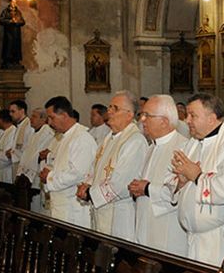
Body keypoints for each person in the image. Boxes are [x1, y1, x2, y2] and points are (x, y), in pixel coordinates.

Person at [173, 93, 224, 266]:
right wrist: (180, 180)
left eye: (192, 115)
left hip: (218, 240)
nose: (187, 120)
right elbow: (178, 178)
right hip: (193, 238)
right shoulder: (194, 142)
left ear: (211, 118)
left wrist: (197, 176)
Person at [130, 95, 196, 256]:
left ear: (164, 121)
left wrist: (147, 189)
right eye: (142, 115)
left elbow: (179, 192)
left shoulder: (183, 148)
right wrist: (136, 187)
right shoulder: (152, 147)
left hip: (167, 230)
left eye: (147, 116)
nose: (142, 120)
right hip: (144, 223)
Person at [78, 91, 146, 241]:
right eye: (109, 107)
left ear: (129, 114)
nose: (109, 111)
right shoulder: (109, 137)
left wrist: (91, 193)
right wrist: (86, 184)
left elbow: (122, 183)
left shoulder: (135, 141)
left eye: (115, 108)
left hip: (119, 215)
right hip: (101, 209)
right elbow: (95, 166)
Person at [40, 96, 95, 228]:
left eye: (52, 117)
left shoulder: (81, 138)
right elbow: (62, 166)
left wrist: (49, 177)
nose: (49, 122)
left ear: (64, 115)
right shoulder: (65, 137)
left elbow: (77, 174)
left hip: (73, 209)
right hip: (62, 204)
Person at [14, 107, 53, 211]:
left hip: (35, 176)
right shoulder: (34, 132)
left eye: (34, 116)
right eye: (31, 116)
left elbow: (38, 155)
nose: (31, 119)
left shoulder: (47, 132)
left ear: (43, 119)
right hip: (27, 176)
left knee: (37, 206)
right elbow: (26, 154)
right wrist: (20, 172)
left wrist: (27, 175)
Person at [0, 0, 25, 69]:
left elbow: (23, 22)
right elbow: (1, 20)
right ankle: (7, 61)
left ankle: (16, 61)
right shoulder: (5, 11)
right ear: (10, 3)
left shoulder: (18, 12)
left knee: (16, 46)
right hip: (8, 33)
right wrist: (10, 21)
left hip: (16, 33)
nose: (14, 3)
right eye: (13, 2)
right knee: (8, 46)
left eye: (15, 2)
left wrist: (17, 22)